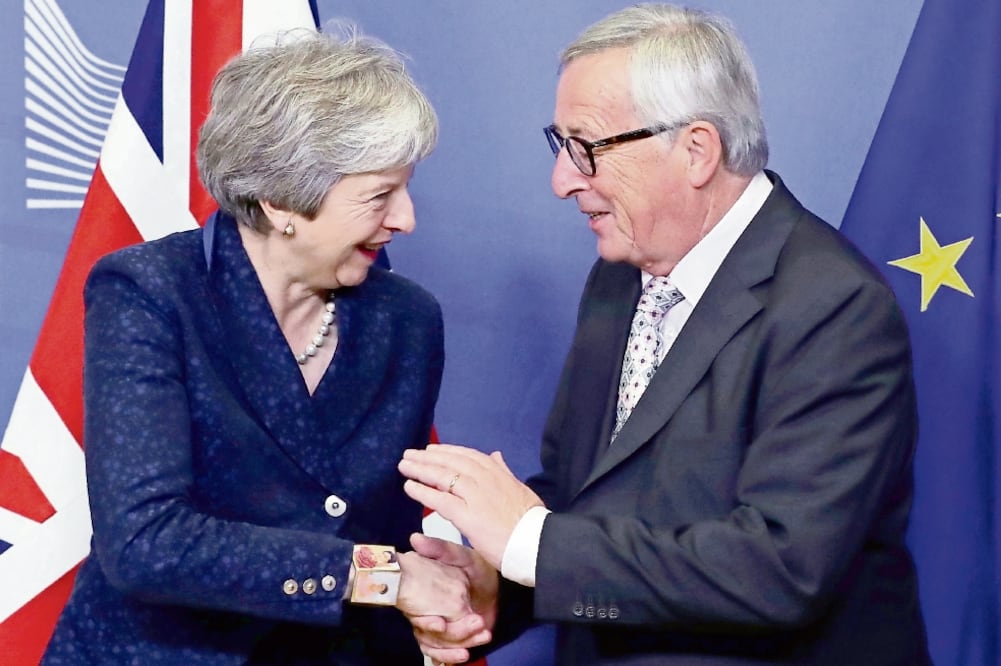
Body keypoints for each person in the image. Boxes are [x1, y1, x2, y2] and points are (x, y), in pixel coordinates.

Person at [398, 4, 930, 664]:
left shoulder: (834, 306)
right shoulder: (620, 277)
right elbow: (587, 499)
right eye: (558, 144)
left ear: (696, 150)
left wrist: (531, 545)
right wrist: (495, 588)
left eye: (585, 148)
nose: (562, 180)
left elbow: (779, 571)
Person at [42, 26, 483, 665]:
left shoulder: (408, 320)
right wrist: (379, 576)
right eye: (380, 195)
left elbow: (384, 529)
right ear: (280, 200)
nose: (406, 219)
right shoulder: (151, 294)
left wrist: (436, 611)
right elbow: (146, 543)